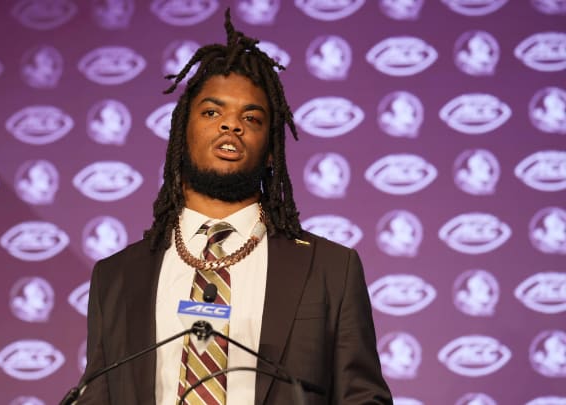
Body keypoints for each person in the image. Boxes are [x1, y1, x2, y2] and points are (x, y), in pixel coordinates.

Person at [76, 10, 392, 405]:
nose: (232, 126)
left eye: (252, 118)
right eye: (212, 112)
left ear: (272, 149)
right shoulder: (116, 277)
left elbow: (363, 399)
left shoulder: (331, 270)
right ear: (181, 131)